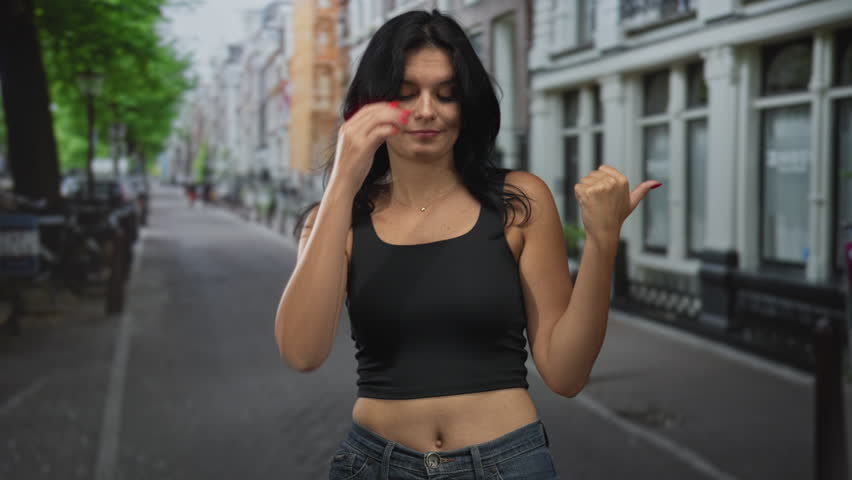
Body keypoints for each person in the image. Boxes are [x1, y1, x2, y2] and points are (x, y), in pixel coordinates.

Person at [275, 9, 662, 480]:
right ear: (370, 106)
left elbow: (566, 374)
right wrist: (341, 184)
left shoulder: (520, 202)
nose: (425, 110)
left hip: (508, 463)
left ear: (468, 105)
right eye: (403, 94)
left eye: (446, 94)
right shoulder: (336, 220)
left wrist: (603, 241)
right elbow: (301, 352)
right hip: (374, 465)